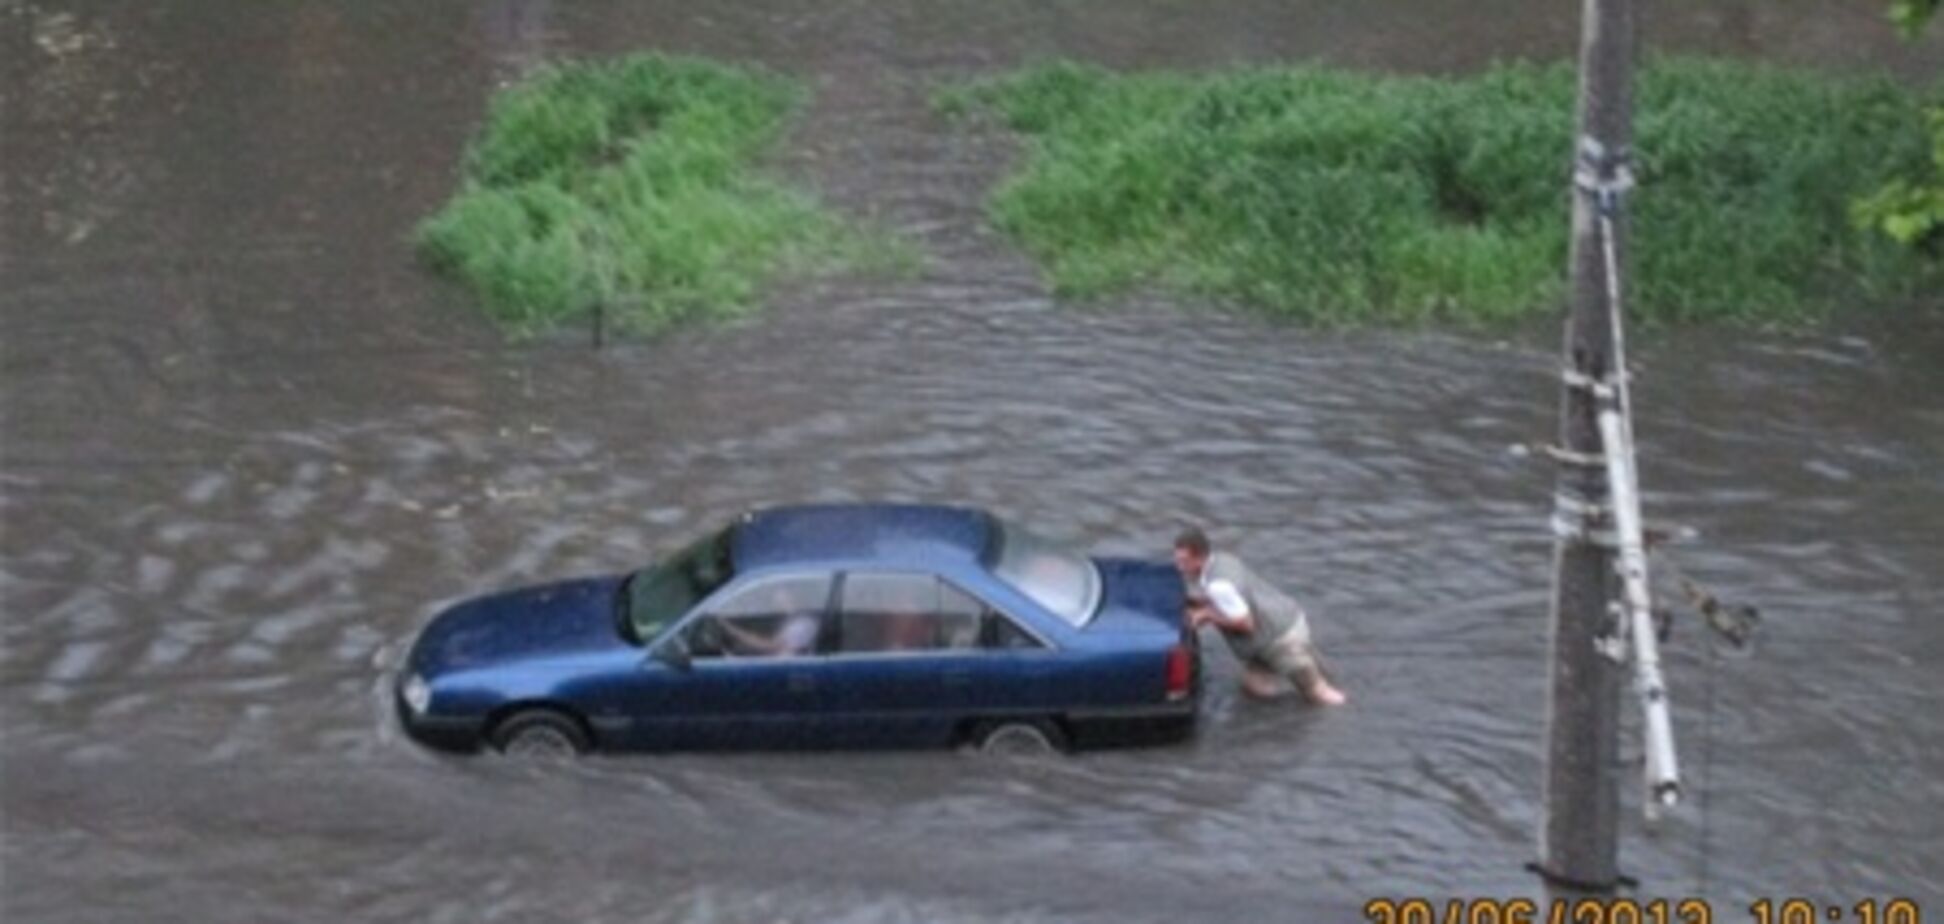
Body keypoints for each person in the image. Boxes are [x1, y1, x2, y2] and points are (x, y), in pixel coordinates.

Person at [1172, 527, 1347, 706]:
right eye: (1177, 559)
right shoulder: (1222, 560)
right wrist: (1192, 601)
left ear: (1199, 557)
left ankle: (1344, 712)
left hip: (1280, 640)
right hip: (1286, 618)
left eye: (1184, 561)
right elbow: (1230, 597)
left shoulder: (1218, 585)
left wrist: (1207, 615)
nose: (1179, 567)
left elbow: (1245, 623)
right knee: (1255, 688)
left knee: (1320, 694)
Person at [716, 584, 821, 657]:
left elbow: (769, 646)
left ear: (792, 597)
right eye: (776, 599)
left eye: (782, 598)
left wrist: (733, 630)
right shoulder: (792, 621)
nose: (776, 603)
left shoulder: (802, 624)